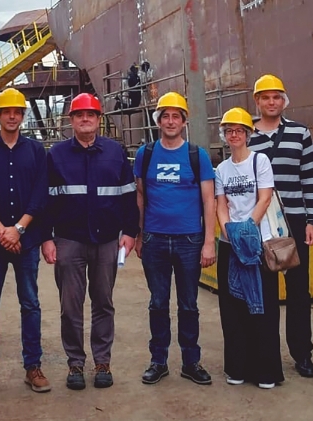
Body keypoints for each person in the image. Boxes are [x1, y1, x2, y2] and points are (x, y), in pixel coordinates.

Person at [41, 93, 139, 390]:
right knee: (70, 306)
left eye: (91, 115)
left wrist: (130, 232)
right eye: (79, 115)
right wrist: (47, 238)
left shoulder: (115, 152)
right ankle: (75, 364)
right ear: (71, 120)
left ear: (99, 120)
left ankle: (102, 362)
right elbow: (45, 202)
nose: (86, 119)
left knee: (103, 303)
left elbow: (128, 196)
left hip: (107, 240)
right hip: (69, 241)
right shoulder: (56, 155)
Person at [0, 88, 51, 396]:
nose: (12, 116)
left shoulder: (35, 151)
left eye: (17, 111)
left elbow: (39, 196)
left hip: (27, 242)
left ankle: (33, 367)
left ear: (23, 115)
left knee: (30, 304)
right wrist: (3, 232)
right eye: (7, 111)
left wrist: (18, 229)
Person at [134, 91, 216, 386]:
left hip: (189, 241)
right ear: (158, 121)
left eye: (175, 116)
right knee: (157, 302)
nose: (170, 121)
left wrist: (209, 241)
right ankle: (159, 361)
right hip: (155, 239)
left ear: (184, 121)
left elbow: (209, 201)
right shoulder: (146, 154)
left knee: (189, 304)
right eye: (165, 116)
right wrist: (139, 235)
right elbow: (141, 196)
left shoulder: (197, 156)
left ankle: (191, 362)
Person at [248, 74, 313, 378]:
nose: (271, 102)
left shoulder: (300, 133)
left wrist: (312, 220)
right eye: (266, 97)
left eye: (277, 97)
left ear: (284, 100)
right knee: (263, 291)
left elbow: (308, 179)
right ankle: (266, 353)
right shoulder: (245, 133)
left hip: (294, 221)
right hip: (260, 223)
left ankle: (302, 353)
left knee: (298, 290)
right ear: (257, 101)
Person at [215, 107, 285, 389]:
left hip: (259, 243)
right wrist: (229, 231)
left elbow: (265, 198)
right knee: (233, 307)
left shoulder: (261, 162)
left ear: (248, 134)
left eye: (239, 131)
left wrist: (247, 229)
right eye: (230, 131)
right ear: (225, 135)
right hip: (231, 244)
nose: (234, 135)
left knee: (264, 307)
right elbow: (221, 205)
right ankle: (237, 368)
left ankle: (266, 371)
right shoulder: (221, 169)